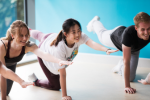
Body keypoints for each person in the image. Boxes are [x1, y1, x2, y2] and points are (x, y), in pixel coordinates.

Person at [28, 18, 119, 100]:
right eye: (74, 32)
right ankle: (35, 81)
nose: (77, 34)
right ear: (65, 34)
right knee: (55, 86)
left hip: (50, 37)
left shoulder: (79, 36)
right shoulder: (60, 48)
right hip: (44, 53)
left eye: (79, 30)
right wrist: (64, 95)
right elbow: (62, 74)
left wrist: (106, 49)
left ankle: (29, 31)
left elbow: (92, 43)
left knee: (41, 35)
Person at [0, 20, 72, 100]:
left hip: (11, 65)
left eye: (26, 35)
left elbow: (43, 55)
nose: (24, 38)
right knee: (3, 91)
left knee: (6, 92)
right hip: (3, 67)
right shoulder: (2, 46)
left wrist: (59, 61)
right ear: (12, 35)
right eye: (21, 35)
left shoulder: (28, 46)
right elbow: (3, 72)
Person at [86, 12, 150, 94]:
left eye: (148, 28)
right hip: (115, 37)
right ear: (136, 28)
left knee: (131, 78)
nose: (146, 32)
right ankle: (95, 22)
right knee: (101, 35)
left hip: (134, 49)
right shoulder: (128, 34)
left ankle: (120, 66)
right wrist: (127, 86)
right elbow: (126, 62)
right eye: (143, 29)